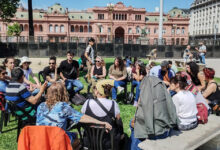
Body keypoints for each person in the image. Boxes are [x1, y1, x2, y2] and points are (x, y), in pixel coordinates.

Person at [36, 82, 112, 147]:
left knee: (71, 133)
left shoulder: (41, 105)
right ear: (63, 93)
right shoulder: (62, 106)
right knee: (75, 136)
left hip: (40, 139)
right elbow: (82, 117)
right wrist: (101, 122)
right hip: (55, 140)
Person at [81, 79, 123, 149]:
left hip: (89, 141)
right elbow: (118, 121)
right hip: (107, 142)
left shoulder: (87, 102)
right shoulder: (113, 104)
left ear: (97, 91)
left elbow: (81, 118)